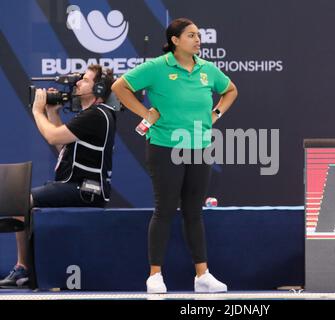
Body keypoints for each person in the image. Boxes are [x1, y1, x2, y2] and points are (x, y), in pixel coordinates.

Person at [112, 18, 238, 293]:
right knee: (165, 209)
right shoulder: (157, 67)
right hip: (164, 146)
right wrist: (145, 114)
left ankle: (202, 275)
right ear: (175, 40)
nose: (197, 40)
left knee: (194, 211)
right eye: (191, 35)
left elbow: (230, 91)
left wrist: (215, 114)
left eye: (198, 35)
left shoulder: (207, 69)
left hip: (200, 146)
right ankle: (155, 274)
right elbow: (119, 87)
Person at [0, 65, 116, 288]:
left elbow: (53, 137)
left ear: (99, 88)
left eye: (85, 80)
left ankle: (23, 268)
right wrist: (52, 113)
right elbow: (63, 144)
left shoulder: (96, 114)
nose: (78, 83)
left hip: (84, 189)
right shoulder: (93, 115)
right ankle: (28, 269)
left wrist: (37, 111)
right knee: (25, 203)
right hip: (77, 185)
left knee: (22, 201)